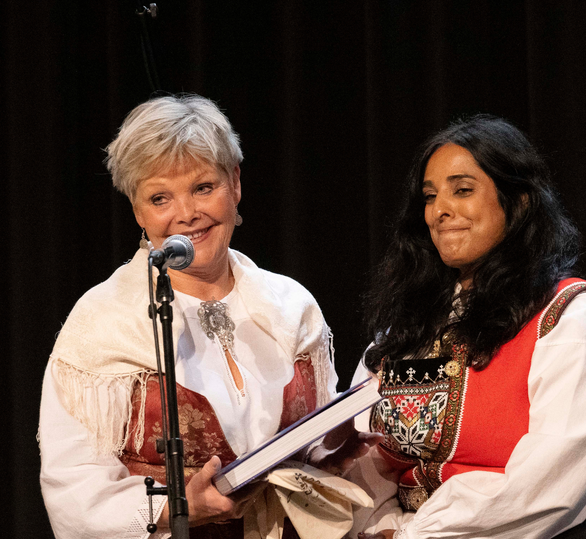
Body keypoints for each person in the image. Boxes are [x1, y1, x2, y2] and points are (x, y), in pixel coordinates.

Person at [38, 94, 376, 539]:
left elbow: (309, 443)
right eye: (160, 197)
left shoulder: (291, 306)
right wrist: (174, 510)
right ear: (138, 211)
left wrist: (330, 454)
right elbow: (74, 487)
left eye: (203, 187)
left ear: (234, 183)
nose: (186, 214)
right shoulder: (102, 323)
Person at [346, 115, 586, 538]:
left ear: (518, 201)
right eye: (430, 197)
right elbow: (361, 458)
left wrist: (417, 536)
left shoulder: (577, 318)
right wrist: (380, 528)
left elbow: (549, 487)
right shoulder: (406, 330)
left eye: (462, 190)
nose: (440, 210)